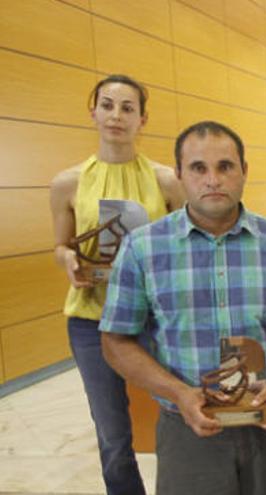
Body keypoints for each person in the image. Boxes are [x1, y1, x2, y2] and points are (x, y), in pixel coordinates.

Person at [99, 121, 266, 495]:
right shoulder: (142, 249)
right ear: (178, 176)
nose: (213, 179)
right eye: (198, 168)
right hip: (188, 429)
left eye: (225, 166)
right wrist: (178, 393)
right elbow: (115, 340)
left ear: (243, 172)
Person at [48, 74, 184, 495]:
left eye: (128, 108)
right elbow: (61, 246)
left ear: (143, 118)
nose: (116, 116)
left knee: (176, 415)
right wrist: (68, 258)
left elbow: (184, 246)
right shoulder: (67, 184)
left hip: (155, 317)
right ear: (93, 113)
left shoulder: (167, 181)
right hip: (93, 319)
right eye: (107, 105)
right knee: (111, 431)